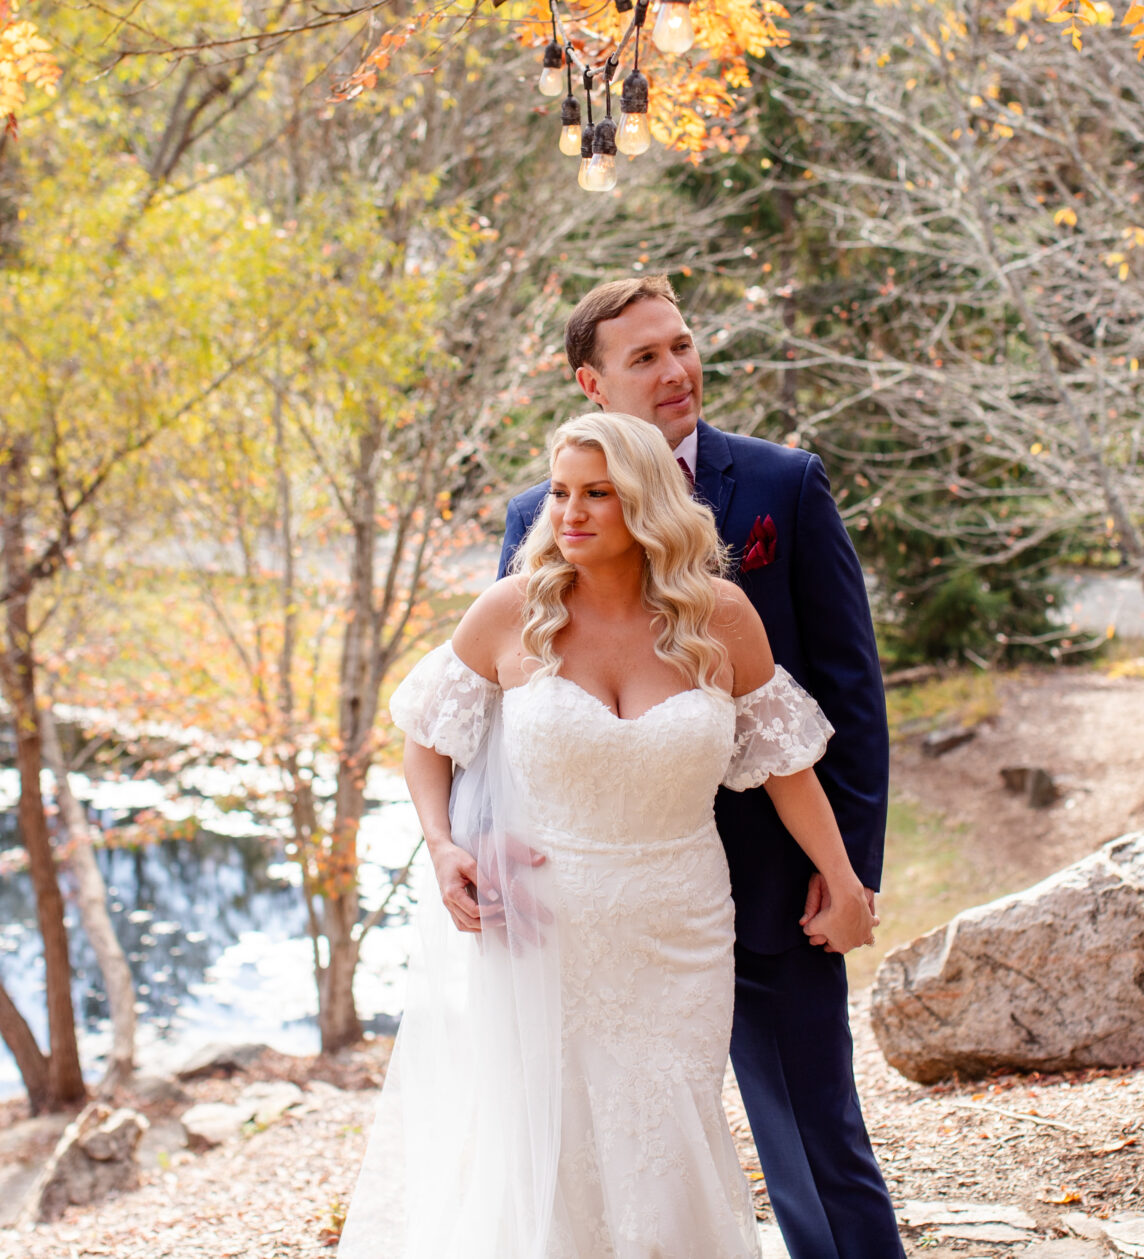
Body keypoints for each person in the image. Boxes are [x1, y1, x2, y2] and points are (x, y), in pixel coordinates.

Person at [340, 411, 868, 1257]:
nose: (570, 513)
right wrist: (443, 847)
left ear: (649, 504)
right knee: (550, 1150)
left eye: (598, 494)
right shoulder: (512, 612)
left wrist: (842, 879)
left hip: (681, 927)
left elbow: (786, 764)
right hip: (545, 927)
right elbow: (427, 738)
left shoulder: (720, 618)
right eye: (559, 492)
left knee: (669, 1138)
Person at [498, 277, 898, 1259]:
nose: (677, 370)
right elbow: (499, 706)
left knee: (815, 1146)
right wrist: (479, 846)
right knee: (601, 1158)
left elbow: (847, 699)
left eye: (681, 344)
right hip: (591, 909)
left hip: (771, 889)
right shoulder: (537, 517)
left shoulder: (780, 487)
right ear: (589, 382)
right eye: (645, 357)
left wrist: (847, 872)